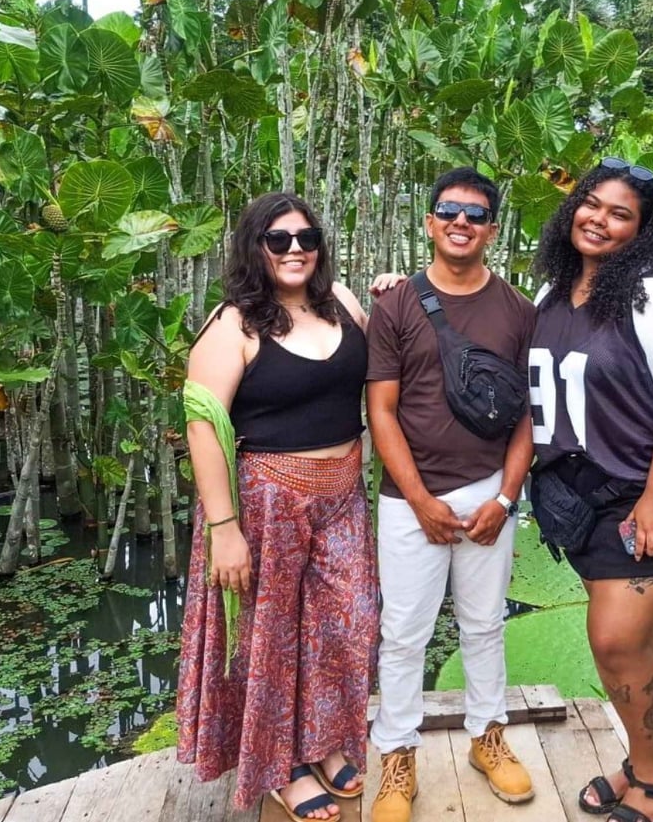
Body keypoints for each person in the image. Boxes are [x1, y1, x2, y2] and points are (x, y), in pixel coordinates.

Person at [528, 158, 653, 822]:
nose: (600, 219)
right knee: (630, 640)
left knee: (615, 637)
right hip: (586, 496)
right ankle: (644, 758)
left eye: (621, 214)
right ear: (573, 208)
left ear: (641, 231)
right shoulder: (551, 295)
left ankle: (651, 772)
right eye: (593, 203)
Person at [177, 192, 378, 822]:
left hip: (342, 493)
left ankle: (321, 741)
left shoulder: (342, 303)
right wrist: (223, 529)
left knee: (347, 622)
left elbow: (387, 363)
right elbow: (202, 424)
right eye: (279, 239)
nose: (295, 250)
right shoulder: (233, 324)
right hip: (266, 501)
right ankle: (281, 767)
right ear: (254, 248)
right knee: (269, 641)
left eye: (307, 238)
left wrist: (399, 290)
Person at [366, 167, 537, 822]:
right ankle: (398, 756)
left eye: (475, 214)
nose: (461, 222)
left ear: (491, 228)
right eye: (449, 212)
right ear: (430, 222)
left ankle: (488, 736)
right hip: (410, 500)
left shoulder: (519, 311)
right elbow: (380, 410)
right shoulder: (396, 304)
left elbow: (526, 416)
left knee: (485, 624)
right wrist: (419, 499)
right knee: (405, 633)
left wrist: (507, 497)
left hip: (489, 491)